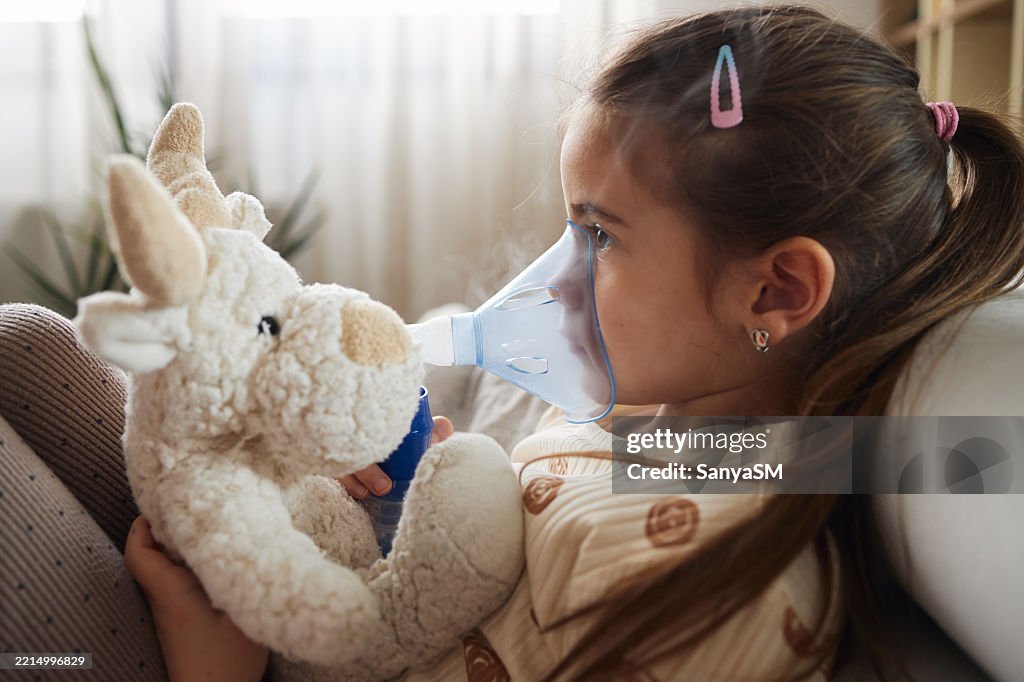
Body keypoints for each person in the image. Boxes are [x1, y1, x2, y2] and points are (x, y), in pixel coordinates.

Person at [3, 4, 1023, 681]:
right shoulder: (695, 440)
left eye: (598, 237)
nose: (552, 280)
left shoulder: (714, 590)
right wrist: (398, 501)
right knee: (29, 347)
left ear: (780, 288)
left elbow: (973, 457)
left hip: (235, 655)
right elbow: (884, 453)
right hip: (304, 604)